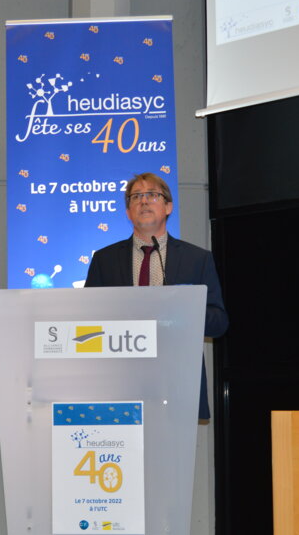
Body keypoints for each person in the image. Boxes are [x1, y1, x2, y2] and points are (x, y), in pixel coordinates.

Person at [85, 173, 228, 419]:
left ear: (168, 207)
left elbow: (218, 322)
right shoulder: (104, 260)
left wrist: (184, 309)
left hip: (175, 384)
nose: (144, 201)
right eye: (136, 197)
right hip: (118, 384)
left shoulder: (197, 259)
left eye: (152, 195)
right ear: (128, 212)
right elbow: (86, 319)